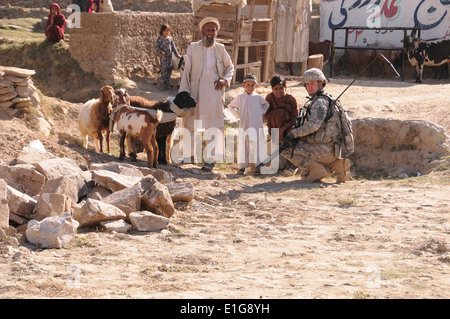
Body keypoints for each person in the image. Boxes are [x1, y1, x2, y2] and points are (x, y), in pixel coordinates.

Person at [178, 17, 234, 172]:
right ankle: (187, 156)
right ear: (203, 31)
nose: (211, 32)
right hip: (195, 93)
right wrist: (184, 93)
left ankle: (211, 160)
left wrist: (225, 79)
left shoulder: (220, 49)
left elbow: (230, 68)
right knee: (189, 122)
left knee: (214, 125)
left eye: (214, 30)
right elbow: (186, 72)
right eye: (209, 29)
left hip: (214, 94)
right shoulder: (193, 48)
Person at [281, 68, 351, 183]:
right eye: (307, 84)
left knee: (286, 149)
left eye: (312, 83)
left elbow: (314, 125)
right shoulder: (327, 99)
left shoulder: (319, 103)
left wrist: (293, 134)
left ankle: (316, 171)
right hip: (332, 148)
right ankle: (337, 165)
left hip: (324, 149)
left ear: (321, 83)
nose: (309, 87)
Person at [228, 74, 269, 175]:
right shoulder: (240, 97)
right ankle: (242, 167)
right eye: (248, 85)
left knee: (258, 145)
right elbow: (231, 106)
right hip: (244, 124)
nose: (250, 87)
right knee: (243, 145)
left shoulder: (258, 97)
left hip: (256, 124)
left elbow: (266, 105)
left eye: (252, 85)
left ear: (256, 85)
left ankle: (258, 166)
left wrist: (260, 112)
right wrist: (238, 114)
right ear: (243, 85)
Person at [264, 75, 298, 144]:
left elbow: (294, 117)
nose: (278, 91)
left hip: (288, 126)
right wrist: (279, 113)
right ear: (272, 89)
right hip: (274, 127)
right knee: (279, 113)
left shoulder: (291, 99)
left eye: (281, 88)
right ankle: (277, 143)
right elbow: (266, 115)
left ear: (285, 87)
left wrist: (283, 128)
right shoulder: (269, 98)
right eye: (275, 89)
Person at [155, 24, 181, 90]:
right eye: (165, 31)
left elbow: (173, 47)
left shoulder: (170, 38)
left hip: (170, 57)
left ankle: (168, 85)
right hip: (163, 58)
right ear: (162, 31)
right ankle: (163, 86)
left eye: (168, 31)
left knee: (169, 70)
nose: (167, 32)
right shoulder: (160, 39)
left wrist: (177, 54)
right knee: (164, 71)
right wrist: (160, 51)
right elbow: (157, 47)